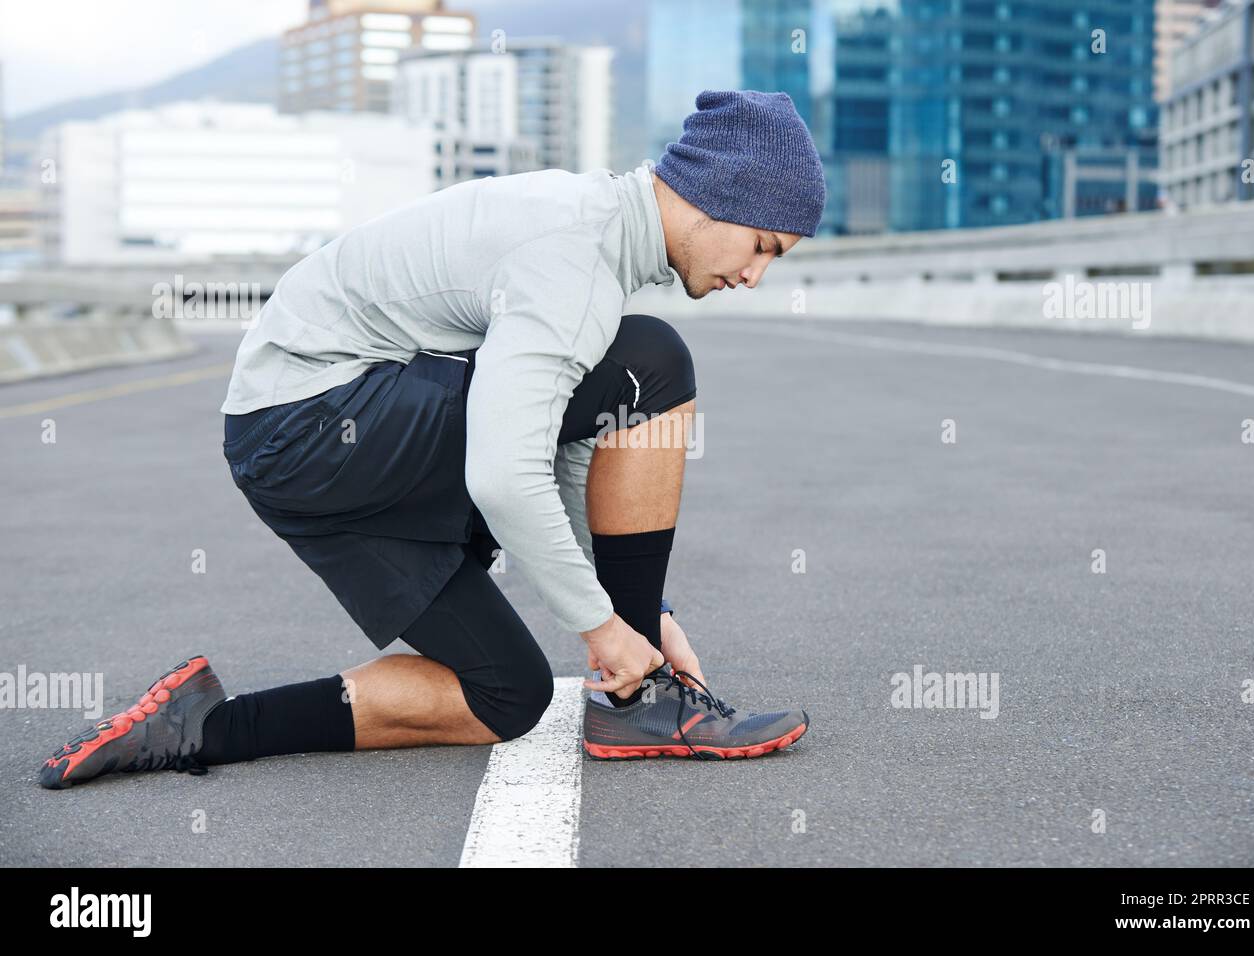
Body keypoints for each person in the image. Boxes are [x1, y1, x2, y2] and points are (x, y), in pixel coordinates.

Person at [39, 90, 825, 789]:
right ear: (714, 195)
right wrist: (607, 628)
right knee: (654, 360)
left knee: (507, 693)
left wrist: (647, 619)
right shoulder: (575, 254)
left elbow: (572, 446)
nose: (756, 276)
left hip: (305, 455)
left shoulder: (596, 242)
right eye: (762, 246)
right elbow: (506, 472)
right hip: (312, 420)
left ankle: (198, 726)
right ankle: (641, 702)